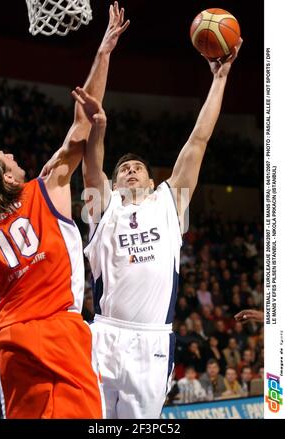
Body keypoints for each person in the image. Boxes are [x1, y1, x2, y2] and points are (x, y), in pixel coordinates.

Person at [74, 38, 242, 418]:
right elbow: (90, 165)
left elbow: (198, 141)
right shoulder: (105, 206)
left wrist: (219, 79)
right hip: (104, 334)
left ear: (152, 182)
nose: (130, 171)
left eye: (138, 168)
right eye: (123, 170)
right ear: (115, 184)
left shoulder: (168, 203)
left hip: (152, 340)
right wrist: (99, 128)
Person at [0, 2, 129, 419]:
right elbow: (82, 127)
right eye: (5, 157)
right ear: (6, 177)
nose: (11, 154)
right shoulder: (46, 187)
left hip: (11, 337)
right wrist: (103, 53)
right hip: (56, 329)